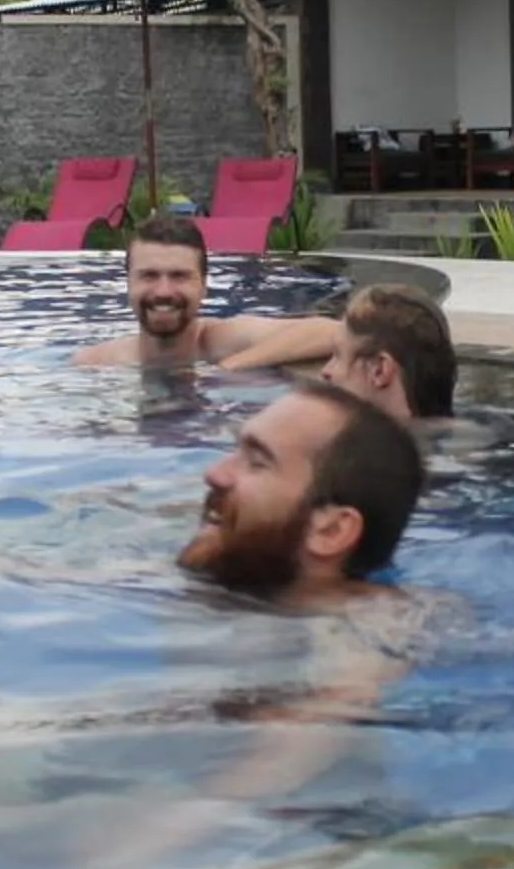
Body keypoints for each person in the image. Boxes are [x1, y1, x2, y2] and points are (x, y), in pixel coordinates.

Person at [178, 383, 424, 603]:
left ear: (331, 530)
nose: (214, 473)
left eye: (256, 461)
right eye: (237, 450)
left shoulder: (363, 638)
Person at [70, 215, 331, 370]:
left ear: (204, 285)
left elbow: (332, 332)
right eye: (149, 275)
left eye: (179, 276)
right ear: (128, 283)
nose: (163, 291)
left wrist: (229, 368)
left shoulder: (222, 340)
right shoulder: (96, 363)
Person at [214, 282, 457, 423]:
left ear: (379, 370)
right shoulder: (467, 442)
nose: (325, 372)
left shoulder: (364, 462)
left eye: (338, 355)